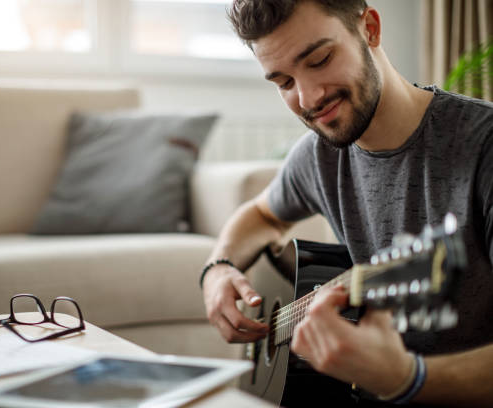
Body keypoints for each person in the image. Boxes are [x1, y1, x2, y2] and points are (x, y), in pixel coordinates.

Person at [200, 0, 493, 406]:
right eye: (284, 82)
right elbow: (262, 214)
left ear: (369, 29)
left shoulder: (484, 148)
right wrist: (218, 268)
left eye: (319, 59)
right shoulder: (317, 156)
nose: (308, 98)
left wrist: (409, 379)